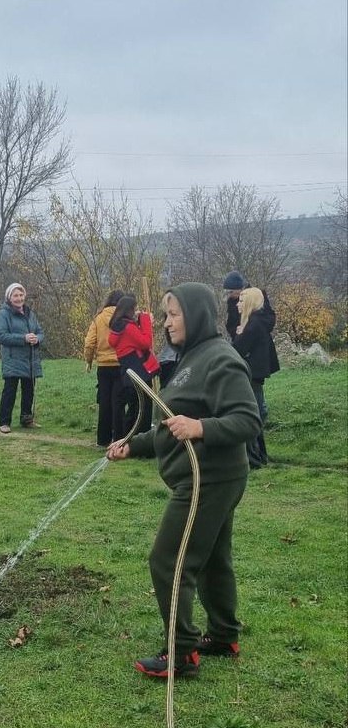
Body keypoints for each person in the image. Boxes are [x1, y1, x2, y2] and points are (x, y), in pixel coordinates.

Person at [107, 282, 261, 679]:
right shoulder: (192, 356)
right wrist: (134, 445)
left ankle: (182, 652)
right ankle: (225, 636)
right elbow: (170, 423)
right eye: (165, 314)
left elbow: (247, 420)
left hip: (208, 480)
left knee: (168, 560)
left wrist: (201, 427)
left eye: (174, 314)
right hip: (212, 478)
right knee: (212, 557)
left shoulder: (221, 359)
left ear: (196, 316)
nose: (166, 322)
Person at [233, 287, 280, 468]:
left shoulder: (252, 325)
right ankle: (260, 457)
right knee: (257, 414)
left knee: (251, 416)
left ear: (250, 303)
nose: (238, 304)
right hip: (257, 375)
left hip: (251, 375)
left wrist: (239, 334)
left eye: (242, 301)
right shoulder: (258, 321)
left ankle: (254, 459)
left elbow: (237, 350)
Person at [0, 283, 44, 433]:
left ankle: (27, 419)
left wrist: (37, 339)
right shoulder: (3, 314)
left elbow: (40, 331)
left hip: (30, 360)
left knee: (29, 391)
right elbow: (0, 336)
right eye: (15, 295)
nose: (19, 298)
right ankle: (4, 422)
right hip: (13, 360)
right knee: (10, 391)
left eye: (21, 295)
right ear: (9, 297)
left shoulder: (30, 313)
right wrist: (23, 338)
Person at [108, 294, 159, 435]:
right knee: (143, 408)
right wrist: (146, 321)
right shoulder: (128, 328)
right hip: (139, 372)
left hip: (128, 372)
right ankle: (140, 440)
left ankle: (128, 438)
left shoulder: (118, 327)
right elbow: (146, 342)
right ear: (129, 309)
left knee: (134, 407)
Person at [84, 289, 126, 447]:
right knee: (118, 403)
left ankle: (102, 439)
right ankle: (119, 440)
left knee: (104, 402)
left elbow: (89, 343)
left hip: (103, 366)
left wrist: (88, 361)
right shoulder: (125, 318)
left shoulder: (98, 318)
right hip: (121, 364)